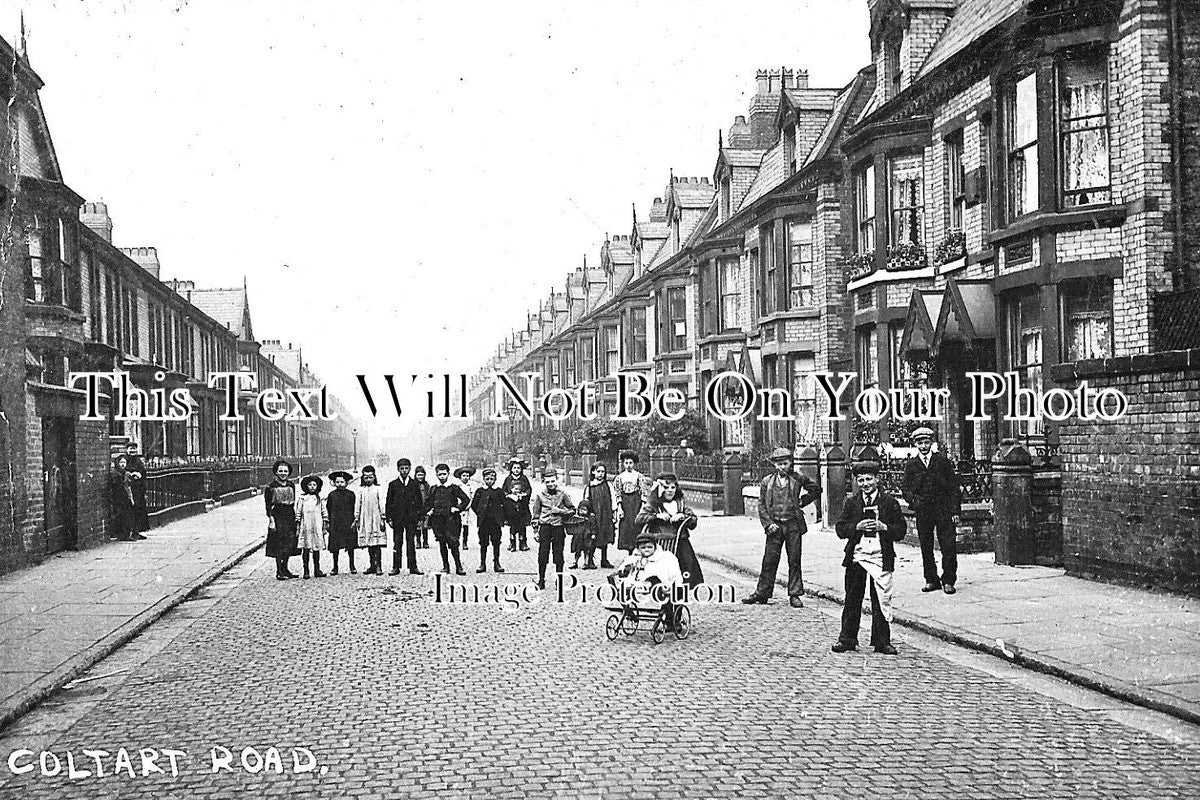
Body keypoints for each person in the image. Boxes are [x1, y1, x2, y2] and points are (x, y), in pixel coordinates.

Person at [832, 459, 907, 656]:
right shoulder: (852, 502)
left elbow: (901, 530)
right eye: (861, 480)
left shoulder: (889, 503)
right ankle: (847, 639)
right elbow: (840, 528)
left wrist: (885, 528)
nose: (865, 484)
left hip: (881, 556)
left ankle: (882, 641)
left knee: (880, 598)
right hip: (858, 556)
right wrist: (855, 527)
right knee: (852, 598)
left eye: (869, 479)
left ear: (878, 479)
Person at [742, 447, 822, 608]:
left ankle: (795, 594)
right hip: (775, 526)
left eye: (785, 463)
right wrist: (768, 524)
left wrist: (803, 501)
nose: (782, 467)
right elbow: (761, 504)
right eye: (778, 464)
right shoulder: (767, 481)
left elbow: (816, 489)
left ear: (790, 463)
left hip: (793, 524)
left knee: (794, 560)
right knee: (769, 560)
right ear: (774, 465)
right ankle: (762, 593)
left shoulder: (797, 479)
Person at [901, 427, 961, 594]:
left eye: (926, 442)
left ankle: (948, 580)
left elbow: (954, 487)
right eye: (920, 443)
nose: (923, 446)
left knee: (948, 545)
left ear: (931, 443)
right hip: (923, 511)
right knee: (926, 547)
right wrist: (915, 501)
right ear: (915, 444)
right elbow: (905, 489)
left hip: (943, 509)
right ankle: (931, 579)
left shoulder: (942, 461)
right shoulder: (912, 465)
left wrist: (955, 511)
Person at [634, 474, 703, 587]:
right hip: (662, 544)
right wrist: (656, 516)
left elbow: (693, 521)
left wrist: (683, 516)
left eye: (673, 487)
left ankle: (678, 600)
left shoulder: (680, 503)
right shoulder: (653, 504)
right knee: (663, 574)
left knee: (685, 572)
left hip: (680, 543)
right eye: (666, 488)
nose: (670, 491)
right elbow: (639, 519)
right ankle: (665, 599)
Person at [611, 529, 684, 630]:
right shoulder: (635, 557)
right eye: (643, 548)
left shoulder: (663, 557)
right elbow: (625, 567)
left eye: (650, 547)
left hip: (661, 584)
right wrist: (626, 569)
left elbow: (666, 573)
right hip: (639, 583)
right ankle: (629, 612)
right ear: (638, 548)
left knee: (660, 584)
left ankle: (671, 620)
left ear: (655, 547)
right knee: (620, 588)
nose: (646, 550)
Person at [531, 467, 575, 590]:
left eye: (553, 481)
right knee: (542, 555)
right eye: (548, 482)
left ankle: (559, 581)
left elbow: (572, 510)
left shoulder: (563, 494)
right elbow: (535, 516)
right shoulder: (540, 496)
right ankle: (541, 580)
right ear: (544, 482)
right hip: (544, 528)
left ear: (557, 480)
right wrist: (535, 531)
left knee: (558, 555)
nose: (550, 484)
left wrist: (560, 511)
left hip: (558, 528)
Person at [426, 463, 470, 575]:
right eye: (440, 474)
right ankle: (445, 566)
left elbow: (465, 499)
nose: (442, 477)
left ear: (448, 474)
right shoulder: (434, 488)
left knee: (453, 542)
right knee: (442, 542)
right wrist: (429, 510)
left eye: (444, 474)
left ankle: (458, 566)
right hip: (438, 520)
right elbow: (429, 502)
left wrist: (458, 508)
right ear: (436, 474)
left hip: (451, 520)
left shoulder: (453, 488)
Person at [385, 458, 425, 576]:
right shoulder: (393, 484)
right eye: (402, 468)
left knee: (410, 542)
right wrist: (389, 518)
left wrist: (420, 518)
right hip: (398, 518)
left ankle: (413, 567)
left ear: (410, 469)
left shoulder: (414, 484)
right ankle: (396, 567)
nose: (404, 471)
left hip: (411, 519)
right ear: (398, 469)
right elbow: (389, 502)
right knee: (397, 542)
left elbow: (419, 502)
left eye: (406, 468)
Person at [264, 460, 300, 580]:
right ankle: (279, 571)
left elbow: (293, 501)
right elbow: (268, 506)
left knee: (289, 543)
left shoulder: (291, 485)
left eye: (285, 471)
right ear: (276, 472)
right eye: (280, 471)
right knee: (279, 544)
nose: (283, 473)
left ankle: (286, 569)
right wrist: (271, 520)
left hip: (289, 515)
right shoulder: (271, 487)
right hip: (278, 515)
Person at [470, 466, 507, 574]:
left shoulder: (499, 491)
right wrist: (480, 513)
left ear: (495, 479)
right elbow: (474, 505)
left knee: (496, 542)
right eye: (487, 479)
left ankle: (497, 563)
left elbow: (504, 505)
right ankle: (482, 563)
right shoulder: (480, 491)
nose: (489, 481)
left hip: (495, 522)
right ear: (484, 479)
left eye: (491, 479)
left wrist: (502, 517)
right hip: (484, 521)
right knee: (483, 542)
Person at [615, 450, 652, 553]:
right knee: (626, 527)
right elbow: (618, 493)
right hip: (625, 504)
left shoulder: (639, 476)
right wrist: (620, 508)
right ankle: (629, 550)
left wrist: (642, 508)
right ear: (623, 463)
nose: (628, 465)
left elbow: (643, 493)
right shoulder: (619, 477)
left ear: (634, 463)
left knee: (636, 525)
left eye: (630, 463)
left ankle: (638, 549)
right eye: (626, 463)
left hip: (636, 503)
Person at [584, 462, 617, 568]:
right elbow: (586, 501)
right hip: (594, 515)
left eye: (603, 472)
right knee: (592, 536)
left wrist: (614, 513)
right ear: (593, 472)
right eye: (598, 471)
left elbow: (613, 499)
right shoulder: (589, 486)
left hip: (606, 515)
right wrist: (587, 513)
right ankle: (590, 560)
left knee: (605, 535)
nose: (601, 474)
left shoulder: (608, 485)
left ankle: (604, 559)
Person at [356, 465, 388, 575]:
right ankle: (372, 565)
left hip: (376, 518)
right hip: (365, 519)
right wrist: (357, 518)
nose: (368, 480)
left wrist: (383, 518)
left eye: (370, 477)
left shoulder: (378, 489)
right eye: (366, 477)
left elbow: (382, 504)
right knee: (369, 543)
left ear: (374, 477)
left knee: (377, 543)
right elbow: (358, 504)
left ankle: (379, 565)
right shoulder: (361, 490)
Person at [326, 470, 358, 575]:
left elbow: (354, 508)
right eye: (337, 482)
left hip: (347, 522)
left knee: (350, 546)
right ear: (334, 483)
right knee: (335, 546)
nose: (340, 484)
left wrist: (354, 521)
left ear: (346, 483)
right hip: (335, 523)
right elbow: (328, 509)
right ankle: (335, 567)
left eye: (342, 482)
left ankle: (352, 565)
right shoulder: (331, 495)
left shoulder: (351, 494)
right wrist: (329, 523)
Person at [296, 475, 328, 579]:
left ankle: (317, 569)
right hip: (306, 527)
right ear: (306, 486)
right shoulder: (302, 498)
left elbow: (324, 512)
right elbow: (298, 513)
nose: (312, 487)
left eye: (314, 485)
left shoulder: (320, 498)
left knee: (316, 548)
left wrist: (324, 524)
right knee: (306, 548)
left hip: (317, 526)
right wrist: (297, 526)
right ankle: (306, 570)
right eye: (310, 485)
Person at [501, 457, 533, 552]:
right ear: (511, 469)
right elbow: (503, 490)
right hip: (511, 505)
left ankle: (523, 543)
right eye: (514, 468)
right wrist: (509, 495)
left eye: (518, 468)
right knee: (513, 524)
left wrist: (524, 494)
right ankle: (512, 543)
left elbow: (529, 489)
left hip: (522, 504)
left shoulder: (524, 479)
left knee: (522, 524)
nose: (516, 470)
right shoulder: (508, 479)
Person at [109, 454, 139, 542]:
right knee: (121, 515)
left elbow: (130, 484)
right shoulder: (116, 473)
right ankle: (122, 534)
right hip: (118, 497)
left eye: (124, 462)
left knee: (127, 515)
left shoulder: (126, 473)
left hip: (125, 497)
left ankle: (125, 534)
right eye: (121, 462)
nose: (123, 464)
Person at [124, 443, 150, 539]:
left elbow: (143, 473)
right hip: (129, 489)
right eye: (131, 449)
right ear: (127, 450)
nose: (133, 451)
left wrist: (139, 475)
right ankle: (128, 533)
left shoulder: (138, 461)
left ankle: (136, 532)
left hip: (138, 490)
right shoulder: (124, 460)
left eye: (134, 449)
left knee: (138, 511)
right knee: (129, 511)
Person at [453, 466, 478, 550]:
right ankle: (456, 541)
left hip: (467, 509)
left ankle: (465, 542)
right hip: (458, 508)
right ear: (460, 477)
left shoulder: (470, 487)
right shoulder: (457, 487)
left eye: (467, 476)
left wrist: (468, 506)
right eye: (464, 476)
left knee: (466, 526)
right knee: (457, 526)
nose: (466, 478)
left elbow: (471, 498)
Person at [569, 500, 597, 570]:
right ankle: (575, 562)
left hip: (587, 536)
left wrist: (593, 534)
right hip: (578, 536)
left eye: (584, 509)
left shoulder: (591, 517)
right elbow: (573, 524)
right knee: (577, 550)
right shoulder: (577, 517)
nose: (582, 511)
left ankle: (586, 563)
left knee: (586, 550)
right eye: (580, 509)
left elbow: (593, 526)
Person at [414, 466, 431, 548]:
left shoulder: (426, 485)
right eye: (418, 475)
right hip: (416, 508)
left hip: (425, 507)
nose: (420, 477)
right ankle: (418, 541)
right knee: (417, 526)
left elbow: (429, 495)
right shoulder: (413, 484)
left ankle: (425, 541)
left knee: (425, 526)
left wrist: (429, 507)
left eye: (422, 475)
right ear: (415, 475)